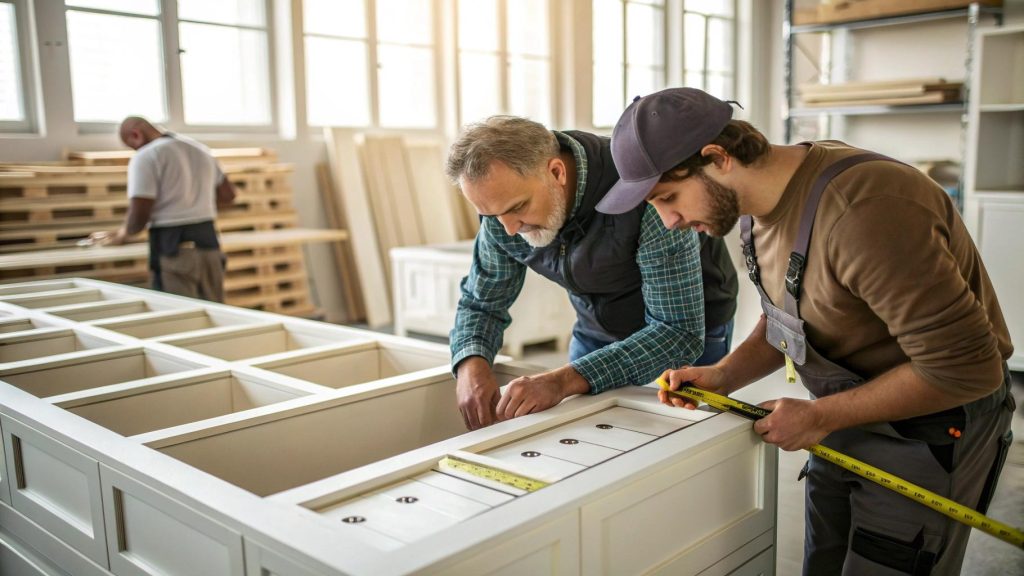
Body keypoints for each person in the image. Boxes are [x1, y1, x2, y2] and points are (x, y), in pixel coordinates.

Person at [597, 87, 1014, 575]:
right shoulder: (756, 209)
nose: (668, 221)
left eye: (668, 197)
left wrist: (820, 417)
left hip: (929, 428)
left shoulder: (866, 212)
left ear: (718, 157)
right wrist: (726, 375)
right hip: (842, 419)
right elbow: (787, 317)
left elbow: (967, 369)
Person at [445, 115, 738, 430]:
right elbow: (481, 301)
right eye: (490, 215)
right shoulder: (503, 210)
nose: (509, 229)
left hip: (689, 331)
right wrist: (469, 364)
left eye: (518, 208)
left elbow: (677, 333)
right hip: (596, 328)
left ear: (556, 172)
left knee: (679, 453)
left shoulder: (640, 189)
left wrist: (562, 381)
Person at [90, 117, 236, 302]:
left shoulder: (146, 156)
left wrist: (122, 235)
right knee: (216, 313)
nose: (134, 150)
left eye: (131, 145)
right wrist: (195, 201)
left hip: (173, 247)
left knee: (178, 316)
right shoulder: (201, 150)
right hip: (210, 245)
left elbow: (140, 211)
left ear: (136, 135)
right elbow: (228, 195)